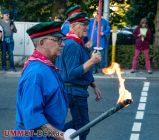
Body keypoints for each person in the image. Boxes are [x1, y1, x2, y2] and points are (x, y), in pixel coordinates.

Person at [15, 22, 68, 140]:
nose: (63, 44)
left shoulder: (46, 66)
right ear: (42, 43)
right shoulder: (36, 73)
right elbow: (33, 118)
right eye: (58, 40)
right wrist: (61, 136)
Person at [56, 12, 102, 140]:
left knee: (81, 125)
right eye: (83, 25)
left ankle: (53, 135)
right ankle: (52, 135)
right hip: (74, 91)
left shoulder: (75, 44)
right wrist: (92, 61)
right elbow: (71, 73)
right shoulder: (72, 45)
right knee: (82, 127)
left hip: (76, 91)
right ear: (74, 26)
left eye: (87, 24)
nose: (87, 27)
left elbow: (82, 68)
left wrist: (93, 85)